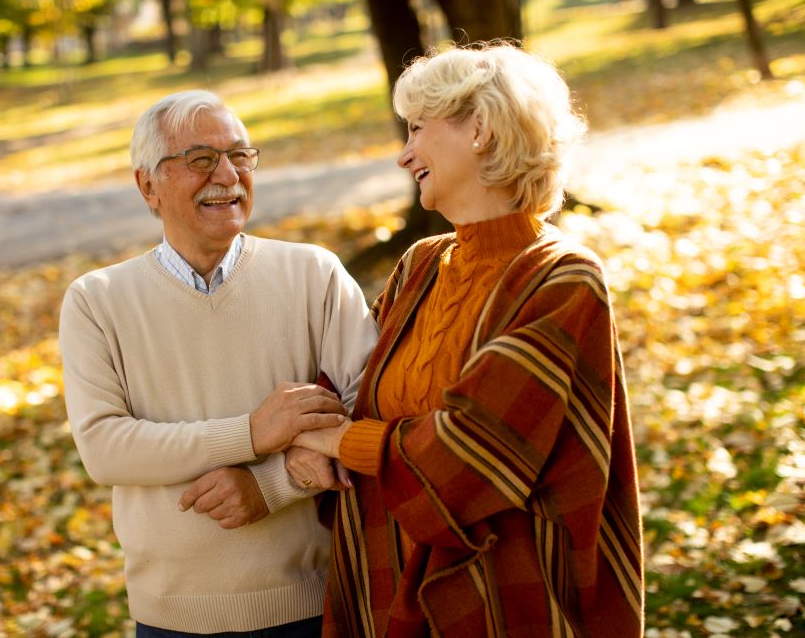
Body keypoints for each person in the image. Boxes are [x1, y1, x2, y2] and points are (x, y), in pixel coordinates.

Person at [292, 43, 645, 636]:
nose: (405, 156)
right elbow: (343, 387)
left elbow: (470, 455)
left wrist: (337, 441)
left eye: (417, 129)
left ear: (478, 128)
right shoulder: (420, 265)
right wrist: (308, 439)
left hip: (500, 603)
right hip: (384, 586)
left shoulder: (561, 278)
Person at [58, 89, 379, 637]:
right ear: (147, 186)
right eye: (201, 160)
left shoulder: (314, 274)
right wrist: (251, 433)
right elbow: (105, 448)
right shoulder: (96, 300)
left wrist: (272, 485)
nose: (228, 175)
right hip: (171, 618)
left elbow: (371, 405)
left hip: (315, 602)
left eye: (241, 156)